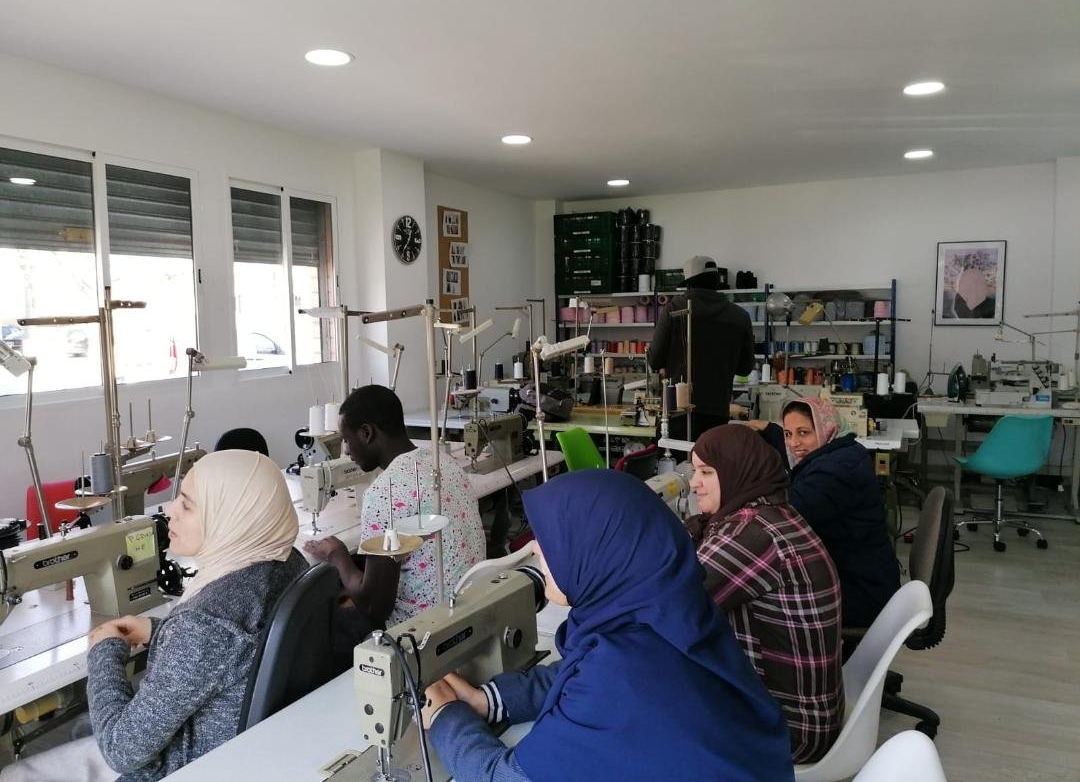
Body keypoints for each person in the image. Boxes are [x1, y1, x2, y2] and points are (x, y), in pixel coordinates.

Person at [419, 469, 794, 782]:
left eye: (553, 540)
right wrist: (487, 701)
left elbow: (505, 778)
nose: (534, 549)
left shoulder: (622, 676)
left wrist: (446, 718)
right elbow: (575, 673)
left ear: (599, 552)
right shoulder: (664, 612)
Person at [0, 450, 307, 782]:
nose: (168, 510)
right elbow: (237, 649)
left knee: (16, 774)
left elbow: (121, 751)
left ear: (230, 516)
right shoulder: (287, 562)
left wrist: (103, 651)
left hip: (185, 767)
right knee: (84, 728)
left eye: (187, 505)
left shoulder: (202, 626)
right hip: (248, 748)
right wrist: (159, 630)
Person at [686, 424, 843, 764]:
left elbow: (673, 606)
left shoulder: (752, 533)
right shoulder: (770, 511)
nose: (693, 483)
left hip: (789, 731)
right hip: (803, 713)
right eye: (694, 471)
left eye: (706, 472)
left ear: (736, 471)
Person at [304, 385, 486, 634]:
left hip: (425, 632)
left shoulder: (384, 494)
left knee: (318, 626)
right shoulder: (444, 463)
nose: (346, 451)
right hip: (471, 610)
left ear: (366, 433)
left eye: (346, 439)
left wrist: (338, 556)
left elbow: (374, 607)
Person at [754, 397, 901, 630]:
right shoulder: (842, 451)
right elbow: (798, 452)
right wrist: (767, 429)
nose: (794, 443)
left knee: (758, 604)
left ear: (826, 427)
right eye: (788, 434)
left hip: (859, 593)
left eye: (803, 432)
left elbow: (786, 512)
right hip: (866, 577)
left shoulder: (836, 471)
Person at [648, 255, 755, 439]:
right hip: (717, 413)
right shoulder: (740, 316)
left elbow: (655, 360)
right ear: (716, 282)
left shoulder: (674, 308)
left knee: (675, 465)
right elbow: (745, 369)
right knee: (708, 466)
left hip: (678, 410)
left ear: (688, 283)